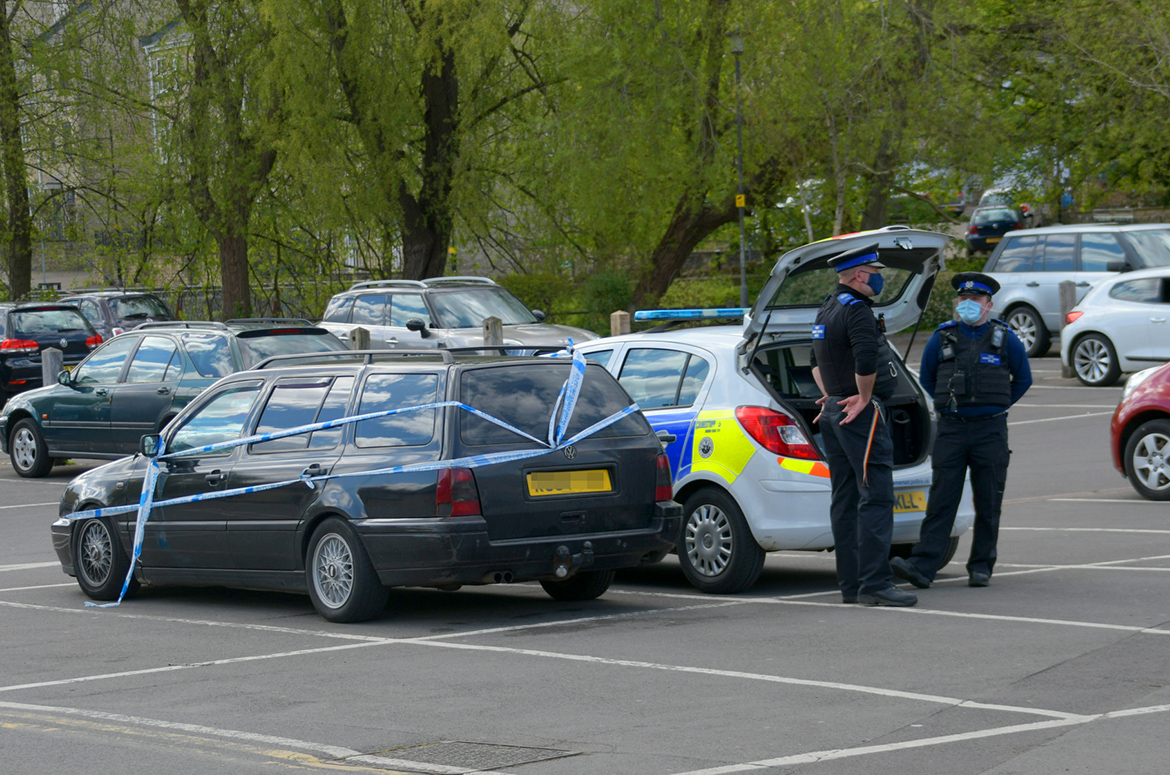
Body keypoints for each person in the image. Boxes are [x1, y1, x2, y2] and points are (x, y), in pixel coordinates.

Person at [891, 271, 1032, 589]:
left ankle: (981, 566)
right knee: (942, 500)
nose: (969, 304)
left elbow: (1023, 379)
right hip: (953, 430)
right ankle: (923, 566)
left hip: (990, 430)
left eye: (976, 299)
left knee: (988, 501)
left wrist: (998, 405)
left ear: (989, 304)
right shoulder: (941, 337)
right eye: (964, 299)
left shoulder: (1005, 338)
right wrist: (947, 404)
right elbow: (927, 379)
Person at [810, 243, 917, 607]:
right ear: (859, 275)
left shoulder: (827, 308)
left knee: (845, 498)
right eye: (874, 271)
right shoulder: (856, 311)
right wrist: (863, 396)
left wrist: (832, 394)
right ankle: (875, 583)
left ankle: (851, 585)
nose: (878, 277)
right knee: (876, 496)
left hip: (833, 413)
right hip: (858, 416)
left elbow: (814, 360)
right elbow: (866, 356)